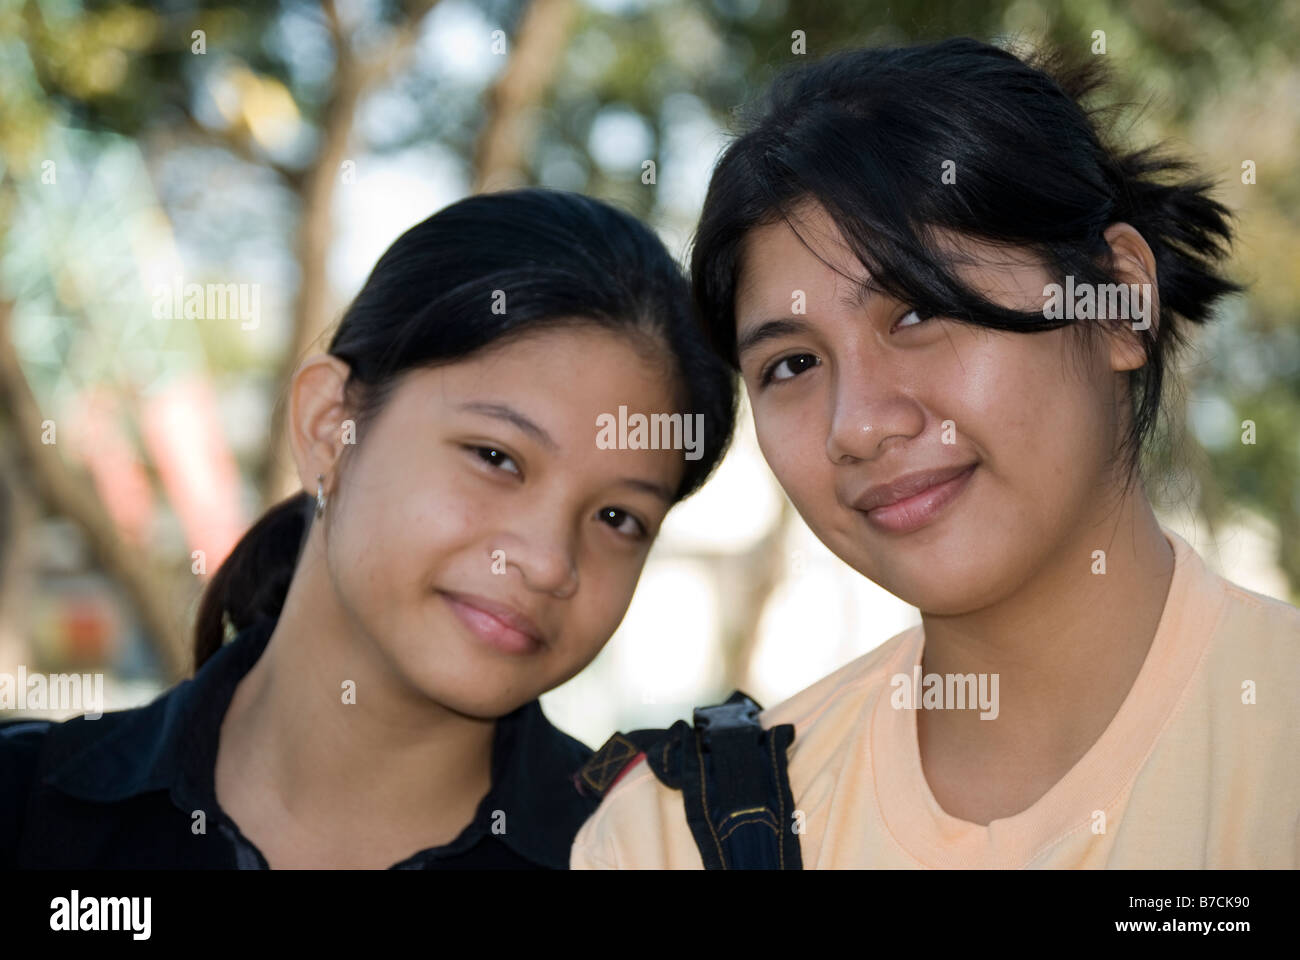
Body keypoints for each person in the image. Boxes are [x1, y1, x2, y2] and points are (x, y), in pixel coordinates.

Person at [571, 37, 1300, 869]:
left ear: (1120, 301)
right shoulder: (674, 840)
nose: (858, 425)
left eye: (918, 311)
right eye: (794, 364)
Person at [1, 188, 736, 869]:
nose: (548, 561)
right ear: (330, 427)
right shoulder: (27, 810)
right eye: (496, 457)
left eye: (618, 517)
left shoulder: (636, 859)